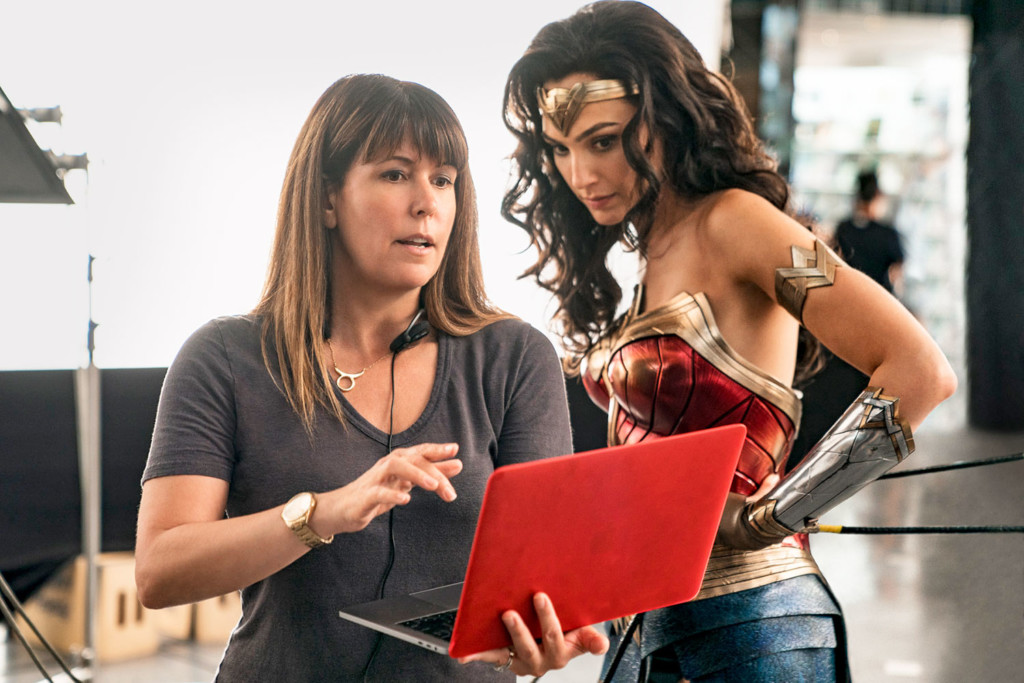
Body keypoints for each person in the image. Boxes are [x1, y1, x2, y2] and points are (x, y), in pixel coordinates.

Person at [501, 3, 957, 681]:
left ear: (664, 115)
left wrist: (771, 515)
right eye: (561, 149)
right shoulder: (655, 245)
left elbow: (919, 369)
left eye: (603, 141)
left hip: (753, 623)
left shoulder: (737, 222)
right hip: (647, 625)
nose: (580, 173)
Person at [134, 74, 607, 681]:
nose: (427, 202)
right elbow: (159, 571)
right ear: (327, 200)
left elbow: (549, 580)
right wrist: (324, 512)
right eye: (395, 174)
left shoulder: (515, 358)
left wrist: (544, 638)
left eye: (444, 180)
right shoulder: (225, 358)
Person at [834, 170, 906, 296]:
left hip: (847, 296)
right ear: (878, 196)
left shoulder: (843, 229)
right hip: (879, 299)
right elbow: (897, 271)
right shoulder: (887, 234)